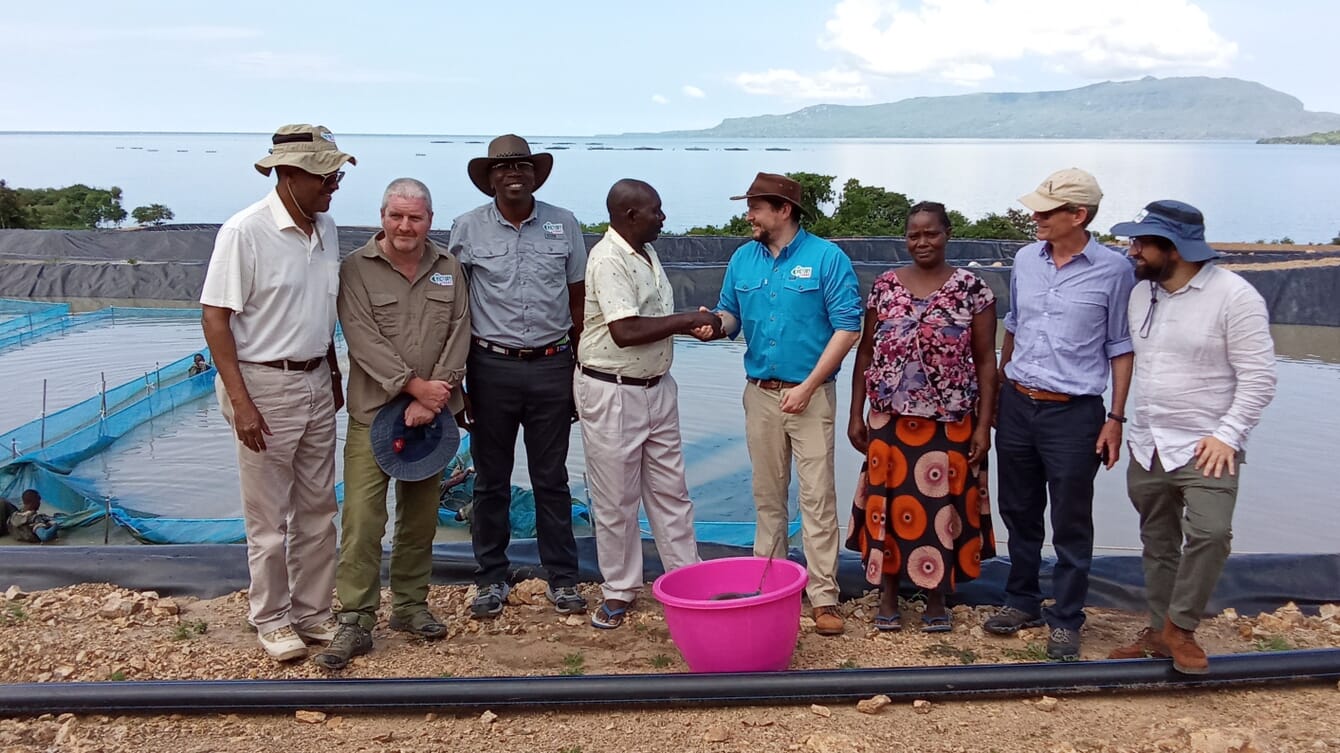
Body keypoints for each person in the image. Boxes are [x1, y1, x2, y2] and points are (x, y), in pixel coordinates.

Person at [199, 124, 353, 662]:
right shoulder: (245, 231)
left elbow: (321, 311)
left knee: (318, 508)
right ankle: (271, 618)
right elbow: (215, 317)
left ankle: (312, 613)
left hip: (314, 380)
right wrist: (241, 401)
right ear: (288, 175)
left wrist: (333, 374)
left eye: (335, 176)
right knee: (268, 517)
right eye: (325, 177)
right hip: (264, 384)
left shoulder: (326, 229)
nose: (333, 186)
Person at [1106, 200, 1276, 674]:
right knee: (1157, 541)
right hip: (1149, 441)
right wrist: (1117, 420)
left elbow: (1260, 377)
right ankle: (1158, 630)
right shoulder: (1143, 294)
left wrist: (1228, 433)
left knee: (1211, 533)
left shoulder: (1234, 297)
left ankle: (1181, 628)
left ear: (1174, 248)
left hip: (1208, 445)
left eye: (1142, 243)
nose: (1132, 250)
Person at [315, 178, 472, 670]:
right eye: (397, 216)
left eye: (416, 217)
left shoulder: (449, 268)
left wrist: (436, 393)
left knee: (420, 518)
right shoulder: (355, 270)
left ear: (430, 219)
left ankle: (409, 605)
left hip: (432, 419)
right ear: (382, 216)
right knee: (362, 520)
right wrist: (413, 387)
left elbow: (461, 330)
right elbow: (360, 338)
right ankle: (356, 618)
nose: (406, 226)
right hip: (372, 415)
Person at [984, 168, 1136, 660]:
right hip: (1019, 403)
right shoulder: (1027, 260)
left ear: (1079, 215)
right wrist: (1003, 385)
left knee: (1071, 518)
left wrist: (1115, 418)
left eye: (1047, 212)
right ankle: (1021, 598)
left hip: (1075, 413)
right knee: (1019, 508)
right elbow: (1015, 325)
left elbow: (1120, 346)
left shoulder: (1114, 271)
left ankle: (1067, 617)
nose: (1036, 218)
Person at [705, 172, 862, 636]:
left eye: (755, 206)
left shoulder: (827, 259)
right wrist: (711, 325)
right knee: (767, 496)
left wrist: (810, 386)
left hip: (810, 396)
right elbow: (729, 315)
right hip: (760, 394)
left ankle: (823, 597)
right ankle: (768, 588)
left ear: (783, 210)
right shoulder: (742, 260)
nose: (748, 214)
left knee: (817, 498)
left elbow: (848, 328)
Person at [447, 134, 588, 619]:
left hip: (553, 365)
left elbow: (578, 301)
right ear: (490, 178)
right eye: (503, 168)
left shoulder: (563, 224)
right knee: (490, 481)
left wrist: (577, 369)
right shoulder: (466, 228)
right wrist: (459, 381)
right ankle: (490, 578)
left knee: (552, 479)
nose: (513, 175)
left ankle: (564, 578)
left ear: (535, 174)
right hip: (491, 368)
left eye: (522, 167)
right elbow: (456, 309)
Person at [845, 202, 998, 632]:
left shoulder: (972, 288)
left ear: (947, 234)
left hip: (950, 420)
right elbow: (867, 352)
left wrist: (984, 425)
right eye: (914, 235)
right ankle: (888, 592)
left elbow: (986, 362)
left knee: (941, 506)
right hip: (889, 419)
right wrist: (856, 413)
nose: (922, 242)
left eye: (931, 233)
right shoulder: (885, 286)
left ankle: (936, 597)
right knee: (888, 505)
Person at [577, 179, 719, 629]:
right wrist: (689, 320)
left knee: (671, 491)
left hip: (656, 386)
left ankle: (686, 578)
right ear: (629, 215)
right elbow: (626, 331)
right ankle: (619, 590)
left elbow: (650, 321)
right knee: (616, 497)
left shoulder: (646, 252)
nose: (663, 217)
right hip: (613, 389)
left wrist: (683, 322)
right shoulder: (608, 258)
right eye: (655, 211)